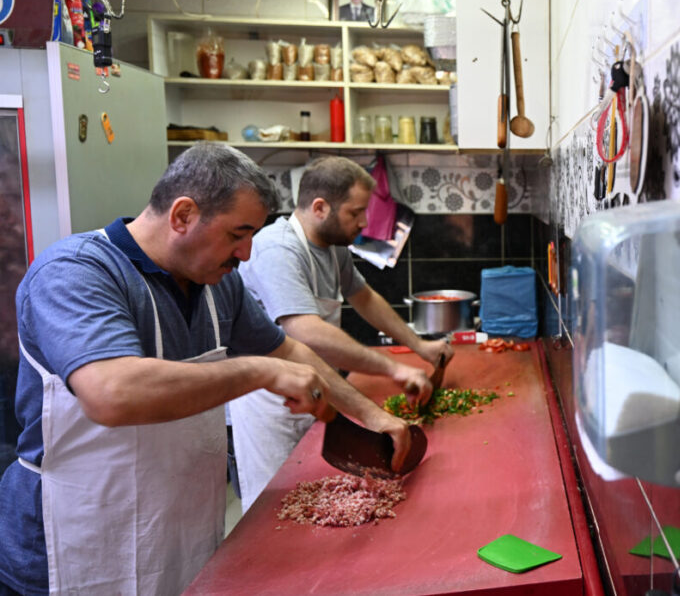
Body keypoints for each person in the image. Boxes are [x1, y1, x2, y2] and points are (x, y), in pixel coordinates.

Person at [0, 142, 417, 596]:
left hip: (179, 531)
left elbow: (290, 351)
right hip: (73, 544)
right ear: (182, 215)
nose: (246, 254)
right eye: (237, 234)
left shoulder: (221, 286)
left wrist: (370, 416)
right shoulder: (77, 272)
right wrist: (258, 373)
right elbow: (111, 392)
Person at [234, 155, 452, 512]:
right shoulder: (278, 248)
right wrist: (392, 368)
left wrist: (419, 346)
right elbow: (305, 331)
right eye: (356, 212)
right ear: (320, 207)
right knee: (276, 511)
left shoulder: (333, 247)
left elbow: (364, 297)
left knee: (322, 502)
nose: (365, 222)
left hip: (318, 389)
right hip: (272, 403)